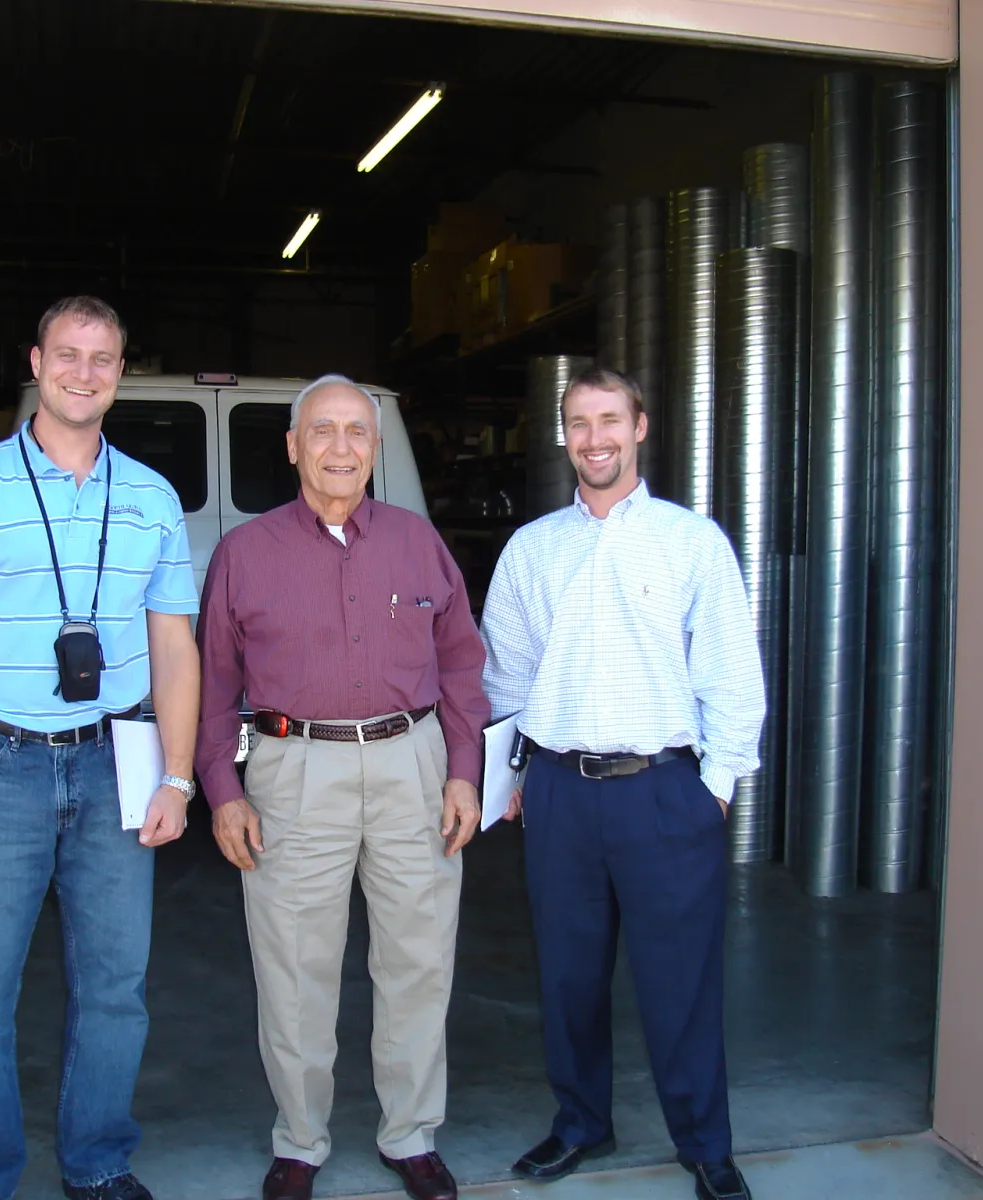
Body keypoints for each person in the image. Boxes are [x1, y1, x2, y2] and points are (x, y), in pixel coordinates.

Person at [0, 295, 202, 1200]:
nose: (83, 372)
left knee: (117, 987)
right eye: (67, 355)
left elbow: (175, 646)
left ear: (120, 372)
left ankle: (98, 1162)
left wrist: (178, 776)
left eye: (101, 358)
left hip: (116, 759)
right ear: (35, 361)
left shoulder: (149, 496)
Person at [195, 375, 492, 1200]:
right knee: (293, 964)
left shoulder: (419, 542)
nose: (340, 448)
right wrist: (223, 789)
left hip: (413, 763)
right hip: (294, 772)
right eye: (321, 431)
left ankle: (411, 1134)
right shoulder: (244, 553)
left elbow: (465, 665)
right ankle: (300, 1140)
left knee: (419, 960)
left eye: (357, 432)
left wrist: (464, 771)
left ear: (376, 445)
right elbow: (213, 684)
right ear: (292, 446)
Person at [479, 367, 765, 1200]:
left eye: (610, 419)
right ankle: (581, 1125)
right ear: (562, 434)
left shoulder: (691, 542)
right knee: (567, 976)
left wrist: (714, 785)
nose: (594, 437)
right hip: (563, 791)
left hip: (664, 791)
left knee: (681, 980)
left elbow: (730, 675)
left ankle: (705, 1144)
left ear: (641, 426)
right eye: (578, 422)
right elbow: (506, 676)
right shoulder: (533, 548)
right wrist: (517, 777)